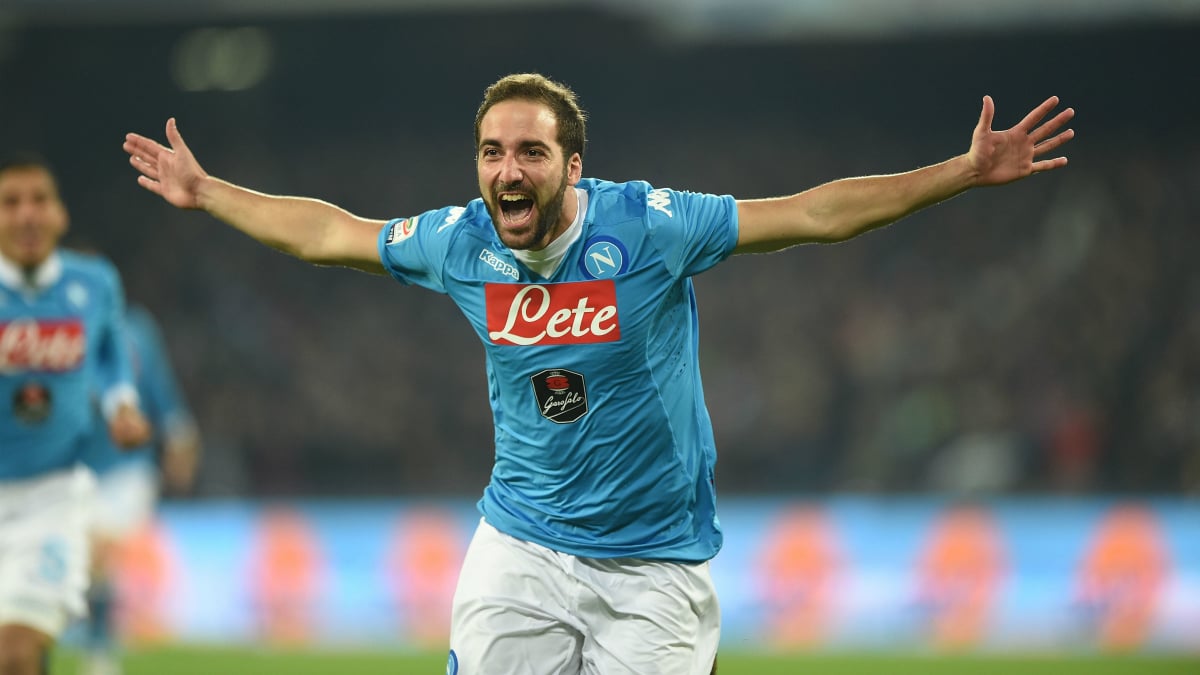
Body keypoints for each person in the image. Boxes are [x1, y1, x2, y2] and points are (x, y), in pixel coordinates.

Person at [122, 73, 1074, 674]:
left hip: (654, 563)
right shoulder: (459, 243)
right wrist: (206, 193)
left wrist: (957, 171)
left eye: (530, 150)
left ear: (572, 166)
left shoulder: (650, 226)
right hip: (521, 547)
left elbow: (816, 214)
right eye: (493, 151)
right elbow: (331, 232)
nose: (508, 168)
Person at [0, 157, 150, 675]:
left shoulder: (94, 284)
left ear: (60, 214)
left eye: (39, 200)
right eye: (10, 202)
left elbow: (109, 353)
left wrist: (121, 405)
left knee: (15, 649)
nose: (26, 215)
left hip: (52, 496)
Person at [76, 302, 201, 675]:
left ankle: (98, 649)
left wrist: (180, 436)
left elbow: (161, 388)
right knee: (90, 564)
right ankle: (93, 640)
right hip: (76, 468)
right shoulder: (56, 331)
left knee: (103, 553)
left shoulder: (137, 332)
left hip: (129, 467)